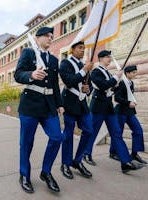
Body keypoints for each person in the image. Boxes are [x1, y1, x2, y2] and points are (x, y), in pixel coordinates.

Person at [14, 26, 64, 193]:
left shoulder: (54, 60)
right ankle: (25, 175)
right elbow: (18, 74)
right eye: (47, 36)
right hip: (30, 105)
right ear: (38, 38)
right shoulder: (28, 53)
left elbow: (55, 85)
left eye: (52, 36)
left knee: (57, 137)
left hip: (49, 105)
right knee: (26, 143)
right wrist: (31, 75)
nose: (51, 38)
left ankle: (46, 172)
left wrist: (60, 104)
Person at [59, 41, 94, 180]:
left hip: (82, 104)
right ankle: (65, 164)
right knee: (68, 135)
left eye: (84, 48)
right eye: (80, 48)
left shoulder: (84, 66)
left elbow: (88, 86)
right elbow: (69, 81)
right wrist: (85, 70)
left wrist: (88, 90)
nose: (82, 50)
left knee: (89, 130)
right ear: (72, 49)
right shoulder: (65, 63)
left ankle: (77, 161)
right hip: (69, 103)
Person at [83, 50, 122, 166]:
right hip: (98, 106)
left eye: (110, 57)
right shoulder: (95, 72)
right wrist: (115, 78)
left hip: (109, 106)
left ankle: (114, 152)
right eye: (106, 57)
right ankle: (86, 153)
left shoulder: (108, 73)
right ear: (100, 59)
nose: (109, 59)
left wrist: (116, 84)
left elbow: (110, 88)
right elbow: (103, 85)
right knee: (93, 131)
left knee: (116, 131)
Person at [113, 65, 147, 173]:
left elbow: (130, 96)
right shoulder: (122, 82)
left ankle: (134, 153)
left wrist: (133, 102)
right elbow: (117, 97)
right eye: (133, 72)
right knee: (119, 133)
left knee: (138, 130)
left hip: (130, 112)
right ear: (127, 73)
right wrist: (128, 103)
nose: (135, 74)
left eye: (135, 72)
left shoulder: (131, 83)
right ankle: (113, 152)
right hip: (121, 111)